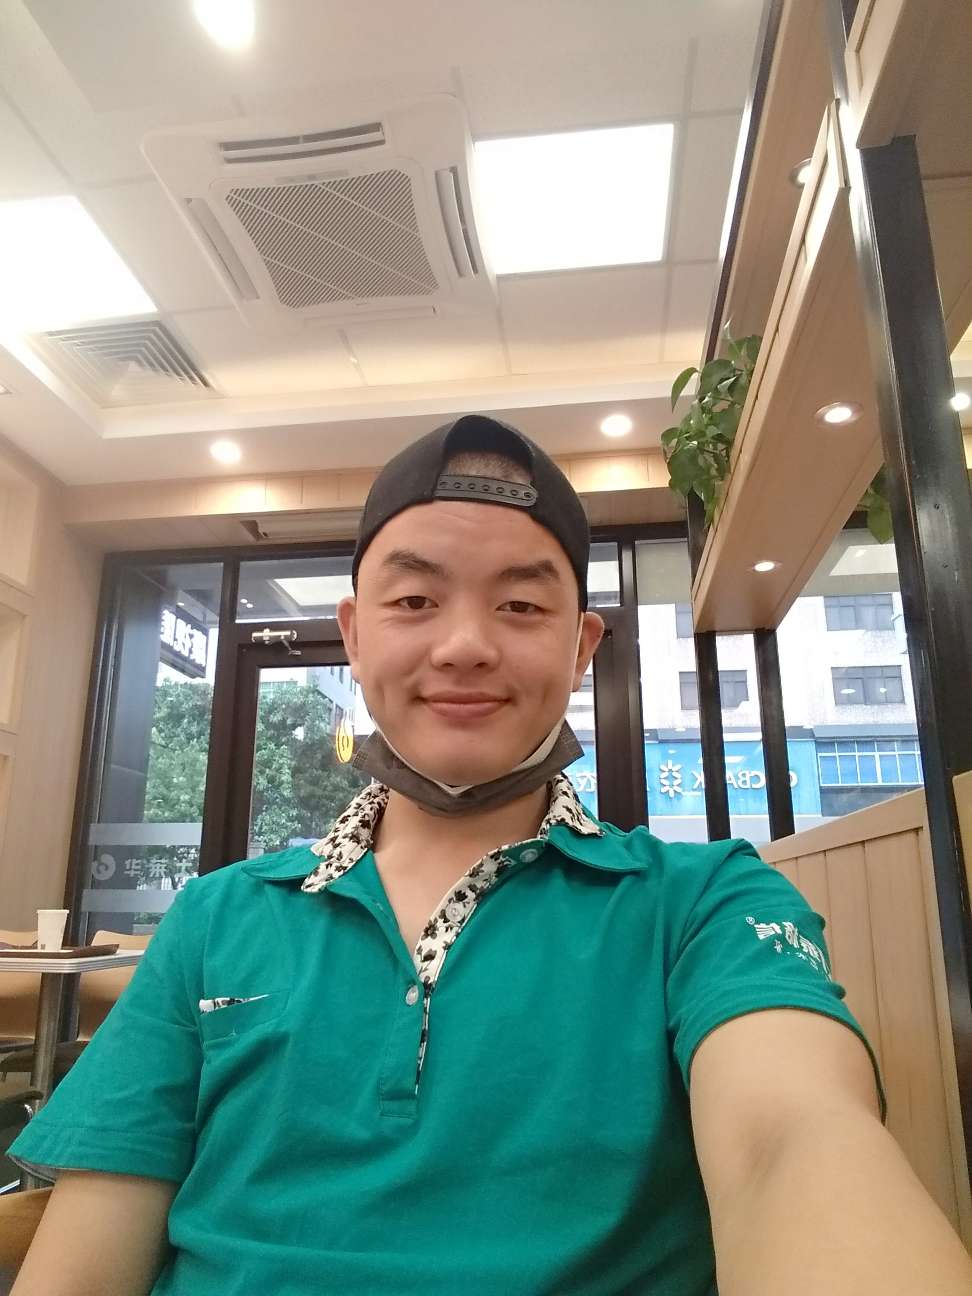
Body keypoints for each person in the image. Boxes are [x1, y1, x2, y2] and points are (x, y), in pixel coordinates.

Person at [9, 415, 972, 1295]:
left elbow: (789, 1142)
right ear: (354, 636)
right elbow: (90, 1254)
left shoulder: (703, 903)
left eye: (519, 605)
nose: (465, 645)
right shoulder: (216, 916)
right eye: (415, 599)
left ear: (582, 646)